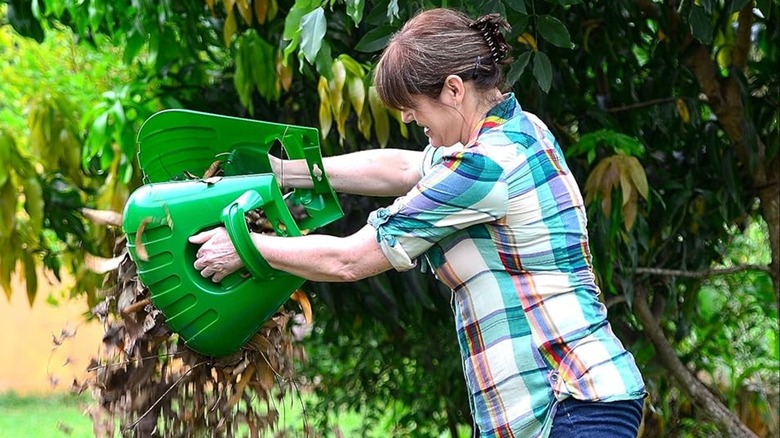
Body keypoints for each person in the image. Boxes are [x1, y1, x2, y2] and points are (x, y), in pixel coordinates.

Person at [190, 8, 646, 438]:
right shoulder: (519, 130)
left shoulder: (483, 169)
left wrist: (244, 246)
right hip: (565, 405)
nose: (407, 117)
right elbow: (405, 168)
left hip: (570, 400)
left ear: (453, 89)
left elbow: (350, 259)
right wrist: (286, 172)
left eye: (412, 105)